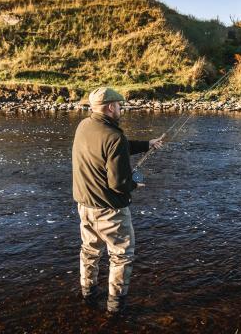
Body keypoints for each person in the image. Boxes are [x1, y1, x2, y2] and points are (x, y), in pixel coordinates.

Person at [72, 87, 163, 314]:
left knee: (90, 251)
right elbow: (119, 184)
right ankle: (115, 307)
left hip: (84, 206)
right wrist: (135, 185)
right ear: (111, 107)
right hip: (110, 211)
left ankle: (88, 294)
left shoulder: (84, 126)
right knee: (121, 257)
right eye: (120, 105)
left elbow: (114, 148)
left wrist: (147, 144)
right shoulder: (114, 137)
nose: (121, 109)